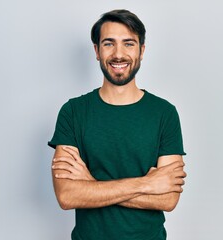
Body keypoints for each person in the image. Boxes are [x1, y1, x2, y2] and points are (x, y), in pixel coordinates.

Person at [48, 9, 186, 240]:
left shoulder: (164, 113)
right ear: (97, 50)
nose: (118, 54)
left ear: (142, 51)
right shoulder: (73, 112)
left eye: (129, 44)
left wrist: (91, 185)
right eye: (109, 44)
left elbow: (168, 199)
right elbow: (67, 196)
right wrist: (146, 184)